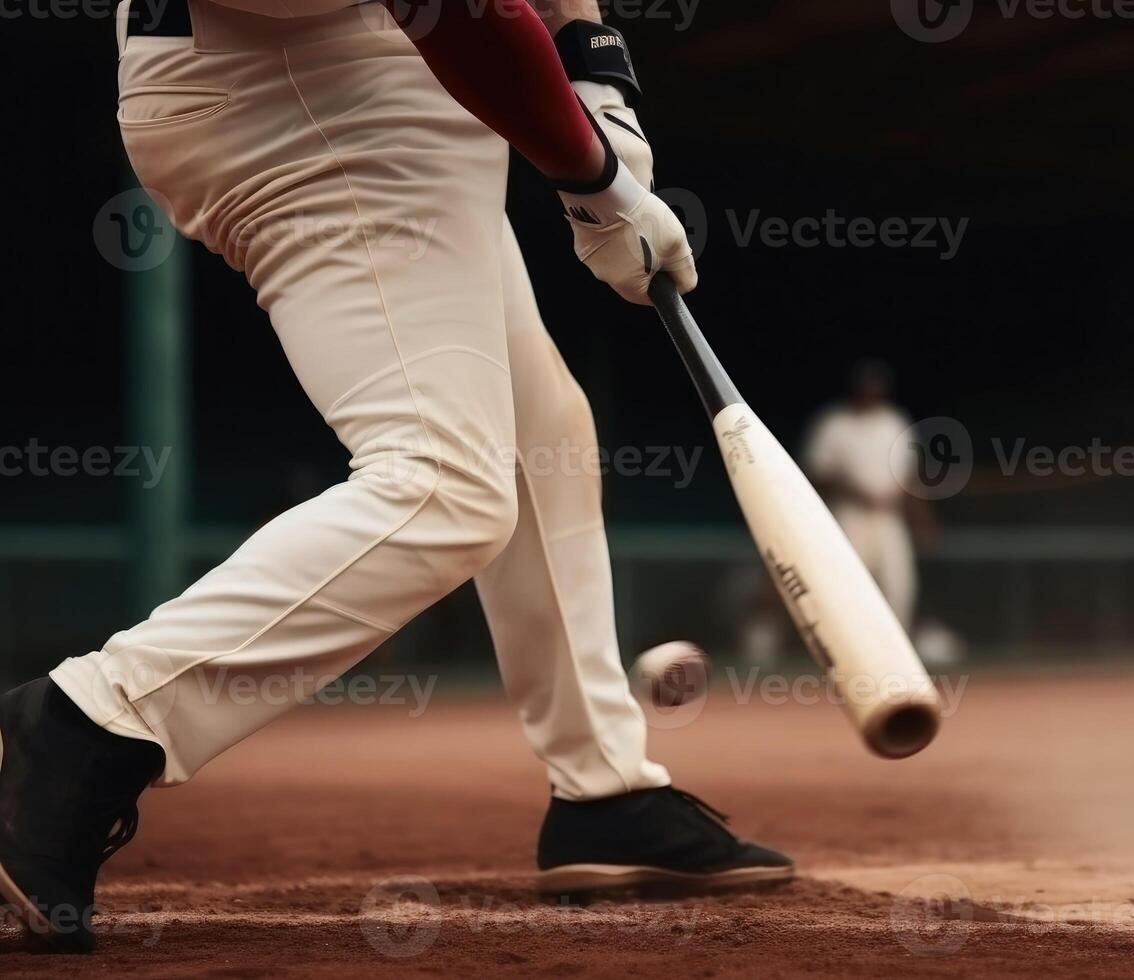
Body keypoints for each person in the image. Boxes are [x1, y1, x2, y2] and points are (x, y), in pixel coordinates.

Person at [0, 0, 791, 953]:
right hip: (303, 78)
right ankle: (82, 724)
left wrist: (601, 93)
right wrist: (592, 175)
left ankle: (603, 790)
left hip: (379, 65)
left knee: (542, 431)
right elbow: (464, 15)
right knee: (446, 485)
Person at [804, 361, 937, 634]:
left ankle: (896, 649)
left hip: (889, 515)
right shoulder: (835, 423)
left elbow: (910, 476)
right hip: (849, 514)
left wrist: (922, 519)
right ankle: (848, 644)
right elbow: (819, 472)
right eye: (866, 388)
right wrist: (857, 491)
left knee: (899, 585)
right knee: (848, 583)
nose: (871, 393)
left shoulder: (894, 422)